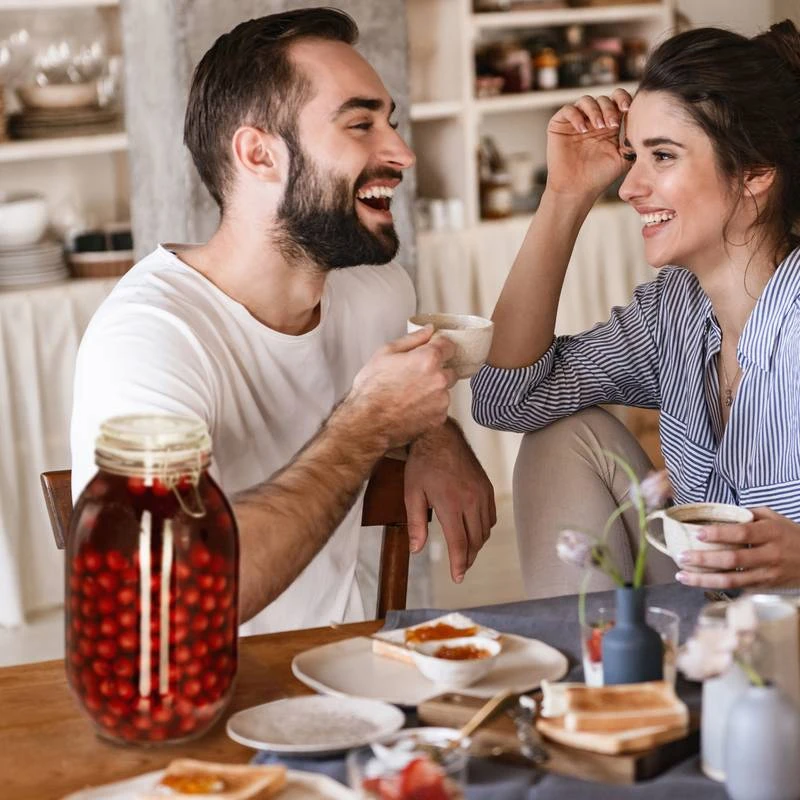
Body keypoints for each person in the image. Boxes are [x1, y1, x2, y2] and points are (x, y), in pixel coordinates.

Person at [71, 8, 495, 635]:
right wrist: (370, 424)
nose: (402, 152)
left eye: (391, 123)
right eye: (360, 124)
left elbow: (395, 407)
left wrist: (434, 435)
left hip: (346, 678)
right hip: (200, 702)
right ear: (259, 154)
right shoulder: (149, 338)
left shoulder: (377, 292)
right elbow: (178, 598)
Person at [471, 20, 800, 597]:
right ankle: (601, 680)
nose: (628, 187)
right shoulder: (671, 312)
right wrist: (565, 195)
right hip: (709, 625)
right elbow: (505, 399)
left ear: (754, 174)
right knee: (561, 433)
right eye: (632, 155)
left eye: (663, 156)